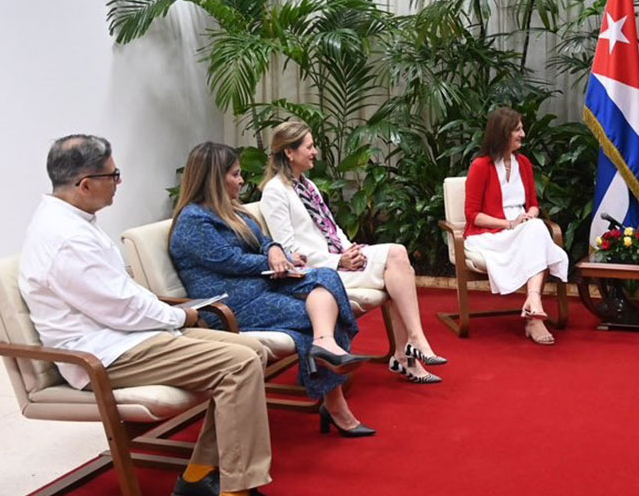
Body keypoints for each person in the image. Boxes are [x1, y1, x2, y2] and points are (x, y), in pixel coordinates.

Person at [19, 135, 307, 496]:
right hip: (107, 353)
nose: (119, 182)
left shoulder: (74, 222)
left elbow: (122, 299)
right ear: (85, 184)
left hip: (127, 337)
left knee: (251, 349)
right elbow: (121, 308)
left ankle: (198, 477)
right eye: (113, 175)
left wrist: (175, 316)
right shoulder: (65, 238)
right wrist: (182, 317)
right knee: (239, 363)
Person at [169, 142, 375, 439]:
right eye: (235, 175)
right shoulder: (193, 221)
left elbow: (264, 239)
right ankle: (334, 401)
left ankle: (325, 344)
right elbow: (229, 261)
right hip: (231, 304)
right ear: (214, 178)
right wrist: (273, 258)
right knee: (312, 320)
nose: (241, 180)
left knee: (328, 277)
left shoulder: (232, 211)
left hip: (262, 286)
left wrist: (276, 249)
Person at [259, 121, 444, 384]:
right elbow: (288, 250)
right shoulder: (275, 192)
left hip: (338, 261)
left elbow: (330, 228)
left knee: (398, 256)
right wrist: (339, 260)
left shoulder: (307, 186)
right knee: (397, 268)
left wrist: (350, 250)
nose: (315, 152)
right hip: (318, 273)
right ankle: (408, 353)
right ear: (289, 152)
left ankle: (410, 348)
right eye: (309, 147)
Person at [464, 107, 569, 345]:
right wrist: (510, 223)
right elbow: (473, 215)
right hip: (491, 233)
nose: (523, 134)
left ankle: (533, 306)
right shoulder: (481, 166)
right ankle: (534, 315)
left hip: (523, 230)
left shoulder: (524, 164)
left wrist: (529, 217)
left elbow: (533, 204)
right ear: (503, 133)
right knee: (538, 235)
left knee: (536, 230)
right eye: (517, 129)